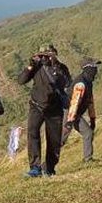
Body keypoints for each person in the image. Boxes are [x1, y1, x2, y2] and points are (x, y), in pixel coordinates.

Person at [18, 44, 71, 177]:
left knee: (54, 139)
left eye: (48, 55)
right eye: (42, 55)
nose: (45, 57)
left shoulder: (61, 68)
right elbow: (21, 80)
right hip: (36, 106)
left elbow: (66, 83)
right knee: (33, 133)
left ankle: (49, 168)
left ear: (54, 54)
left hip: (55, 108)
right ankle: (35, 167)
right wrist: (30, 66)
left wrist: (55, 66)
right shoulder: (36, 67)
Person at [62, 58, 101, 162]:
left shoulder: (89, 82)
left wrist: (92, 119)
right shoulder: (81, 84)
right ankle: (45, 166)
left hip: (75, 113)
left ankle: (88, 159)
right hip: (69, 112)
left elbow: (90, 101)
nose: (95, 69)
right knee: (62, 139)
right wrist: (70, 121)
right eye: (93, 67)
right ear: (87, 68)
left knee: (88, 133)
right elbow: (74, 102)